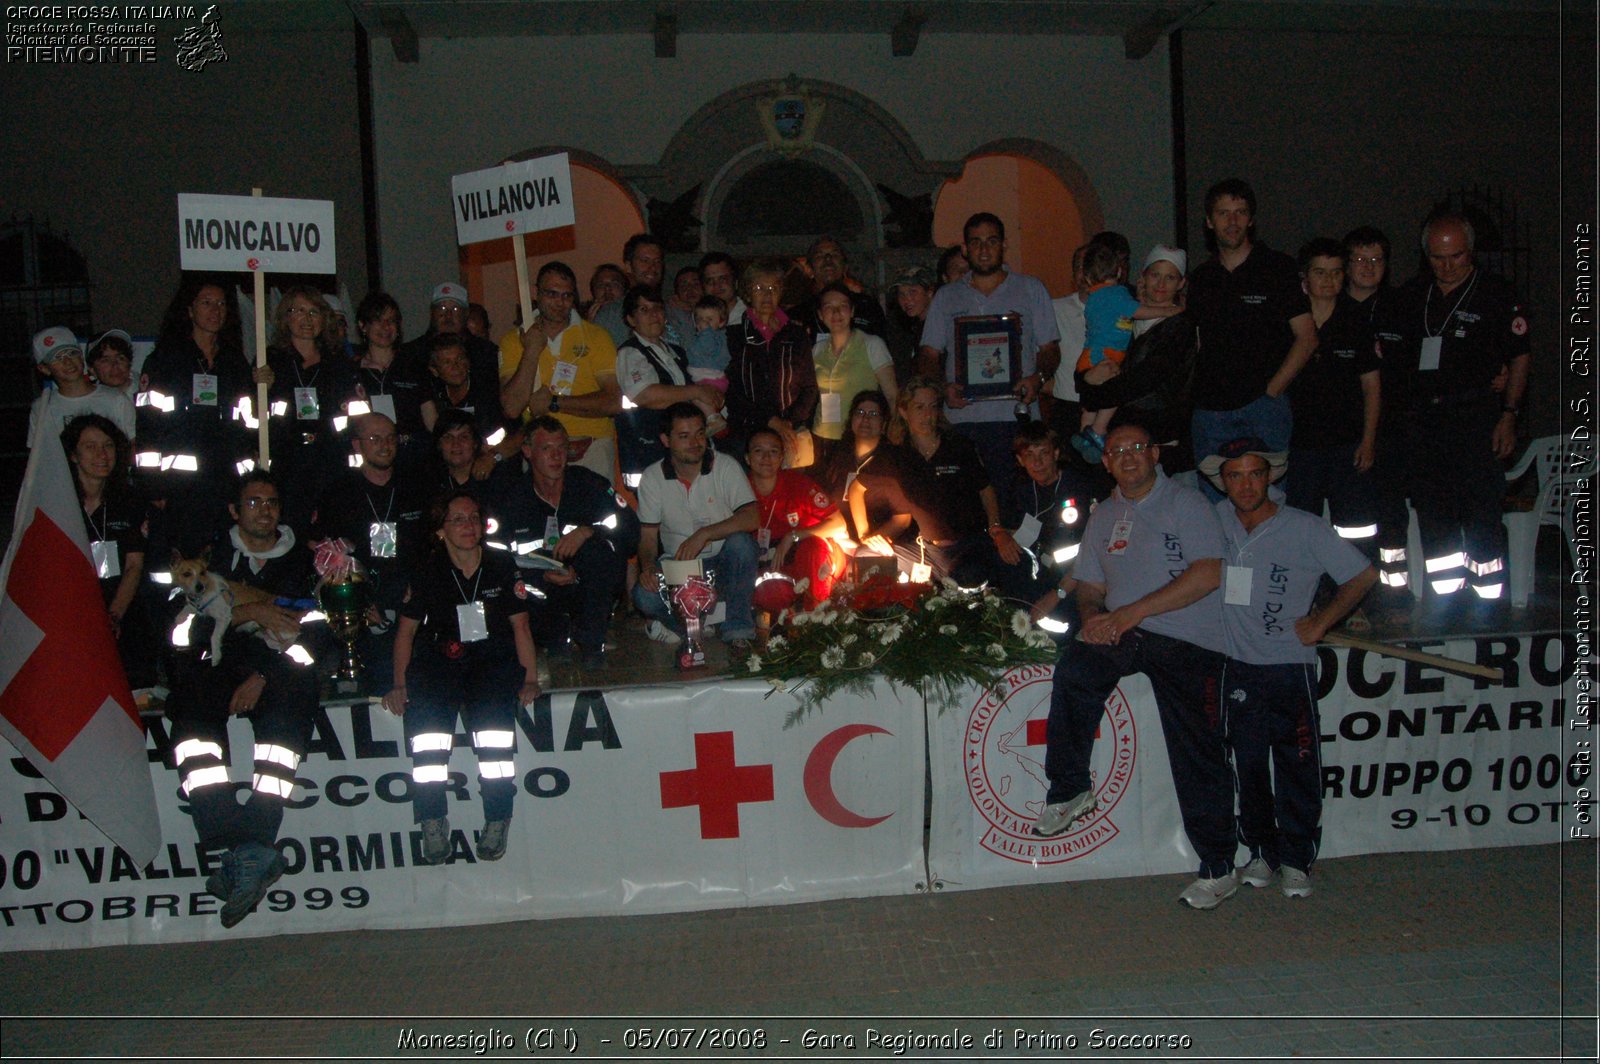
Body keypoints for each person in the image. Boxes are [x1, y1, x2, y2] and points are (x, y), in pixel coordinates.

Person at [1032, 423, 1239, 910]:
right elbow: (1088, 582)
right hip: (1125, 632)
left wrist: (1130, 613)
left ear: (1155, 453)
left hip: (1186, 637)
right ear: (1105, 462)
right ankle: (1070, 789)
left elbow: (1210, 573)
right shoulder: (1105, 516)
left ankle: (1219, 866)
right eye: (1116, 451)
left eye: (1136, 448)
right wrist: (1093, 618)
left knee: (1196, 750)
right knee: (1075, 669)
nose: (1127, 457)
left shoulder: (1188, 504)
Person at [1201, 437, 1376, 898]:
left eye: (1254, 473)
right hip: (1235, 666)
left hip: (1289, 667)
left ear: (1270, 476)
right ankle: (1261, 853)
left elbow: (1363, 575)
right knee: (1250, 766)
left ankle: (1297, 860)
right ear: (1223, 481)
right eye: (1234, 475)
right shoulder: (1213, 521)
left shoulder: (1305, 527)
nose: (1245, 484)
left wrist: (1320, 621)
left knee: (1297, 764)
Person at [166, 472, 322, 928]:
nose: (264, 510)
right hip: (215, 663)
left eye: (271, 502)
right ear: (235, 511)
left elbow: (315, 636)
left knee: (289, 714)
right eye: (253, 502)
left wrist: (261, 675)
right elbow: (179, 635)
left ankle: (242, 856)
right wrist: (246, 612)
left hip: (277, 670)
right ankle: (243, 849)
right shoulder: (204, 561)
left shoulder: (305, 563)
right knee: (191, 721)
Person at [1377, 213, 1528, 605]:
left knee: (1481, 512)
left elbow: (1520, 357)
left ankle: (1489, 602)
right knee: (1434, 512)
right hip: (1424, 423)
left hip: (1477, 418)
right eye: (1438, 257)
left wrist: (1509, 413)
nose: (1447, 266)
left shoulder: (1496, 294)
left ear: (1471, 252)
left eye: (1456, 257)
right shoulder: (1413, 295)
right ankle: (1447, 600)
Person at [382, 490, 540, 865]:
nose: (468, 526)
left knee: (496, 747)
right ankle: (432, 821)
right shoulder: (426, 570)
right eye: (458, 519)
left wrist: (530, 678)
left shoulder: (501, 565)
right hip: (440, 660)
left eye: (473, 518)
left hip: (491, 659)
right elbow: (405, 632)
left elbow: (521, 626)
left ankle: (497, 818)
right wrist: (399, 684)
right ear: (441, 530)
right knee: (428, 746)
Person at [1185, 179, 1317, 499]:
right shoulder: (1201, 279)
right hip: (1210, 412)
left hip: (1263, 410)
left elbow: (1307, 338)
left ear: (1251, 219)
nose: (1232, 222)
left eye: (1240, 212)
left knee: (1268, 504)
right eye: (1223, 213)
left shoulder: (1278, 268)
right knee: (1215, 508)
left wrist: (1271, 392)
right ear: (1209, 220)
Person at [850, 378, 1035, 601]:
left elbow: (986, 491)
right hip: (924, 551)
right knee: (866, 556)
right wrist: (865, 535)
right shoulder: (897, 455)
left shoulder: (958, 446)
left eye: (933, 406)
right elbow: (856, 488)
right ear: (904, 411)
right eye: (919, 407)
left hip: (967, 546)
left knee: (971, 575)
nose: (927, 415)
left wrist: (996, 529)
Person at [918, 212, 1061, 485]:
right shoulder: (947, 296)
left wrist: (1037, 379)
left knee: (1015, 501)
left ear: (1004, 245)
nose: (984, 250)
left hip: (1016, 418)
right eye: (976, 242)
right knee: (965, 504)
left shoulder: (1031, 289)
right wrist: (942, 387)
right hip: (962, 419)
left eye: (992, 241)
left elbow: (1050, 349)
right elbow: (928, 354)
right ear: (965, 248)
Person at [485, 415, 638, 668]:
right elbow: (495, 557)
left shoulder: (590, 485)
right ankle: (553, 639)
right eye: (546, 449)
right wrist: (540, 576)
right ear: (527, 451)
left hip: (585, 583)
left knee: (600, 554)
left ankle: (591, 644)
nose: (556, 457)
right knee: (510, 586)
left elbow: (630, 533)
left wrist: (589, 532)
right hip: (537, 588)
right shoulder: (510, 499)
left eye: (561, 448)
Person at [1286, 239, 1381, 599]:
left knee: (1356, 529)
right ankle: (1304, 602)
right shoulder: (1290, 321)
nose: (1328, 280)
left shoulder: (1356, 320)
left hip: (1347, 445)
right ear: (1305, 277)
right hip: (1300, 446)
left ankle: (1354, 605)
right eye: (1319, 272)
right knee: (1299, 529)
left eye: (1336, 272)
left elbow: (1372, 386)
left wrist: (1369, 440)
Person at [311, 413, 429, 688]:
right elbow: (321, 551)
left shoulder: (417, 486)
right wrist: (358, 603)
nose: (385, 445)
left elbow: (432, 545)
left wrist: (420, 590)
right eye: (375, 439)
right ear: (357, 445)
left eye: (390, 438)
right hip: (363, 608)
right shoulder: (339, 493)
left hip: (413, 603)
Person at [632, 402, 760, 657]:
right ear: (665, 440)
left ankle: (737, 630)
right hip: (680, 565)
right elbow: (647, 538)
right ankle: (692, 626)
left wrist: (705, 534)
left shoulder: (724, 466)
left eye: (700, 433)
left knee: (742, 544)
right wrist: (647, 566)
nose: (695, 442)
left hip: (723, 561)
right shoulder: (652, 477)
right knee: (644, 596)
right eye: (684, 436)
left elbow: (752, 517)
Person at [139, 277, 258, 550]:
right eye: (206, 303)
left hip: (226, 481)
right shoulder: (165, 359)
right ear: (190, 310)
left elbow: (247, 422)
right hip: (181, 487)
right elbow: (148, 423)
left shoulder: (234, 361)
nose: (215, 310)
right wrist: (153, 485)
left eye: (221, 304)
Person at [1342, 225, 1413, 615]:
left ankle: (1394, 591)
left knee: (1390, 515)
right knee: (1352, 522)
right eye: (1359, 260)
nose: (1368, 268)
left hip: (1392, 431)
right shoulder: (1332, 307)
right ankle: (1352, 593)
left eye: (1376, 260)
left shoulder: (1402, 308)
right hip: (1341, 432)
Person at [499, 261, 622, 481]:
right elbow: (511, 407)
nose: (560, 302)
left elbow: (613, 401)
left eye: (567, 296)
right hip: (540, 450)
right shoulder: (512, 340)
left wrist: (555, 403)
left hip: (592, 448)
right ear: (537, 293)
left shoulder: (596, 336)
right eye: (552, 294)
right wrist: (531, 351)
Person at [1069, 242, 1181, 462]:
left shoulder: (1178, 328)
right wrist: (1088, 380)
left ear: (1181, 283)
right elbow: (1086, 377)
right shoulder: (1123, 313)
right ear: (1142, 276)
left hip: (1158, 438)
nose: (1160, 284)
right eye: (1155, 275)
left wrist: (1091, 385)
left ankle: (1093, 431)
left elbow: (1140, 381)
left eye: (1170, 278)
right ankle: (1089, 434)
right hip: (1120, 441)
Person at [63, 414, 153, 687]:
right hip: (71, 613)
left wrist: (112, 617)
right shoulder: (58, 503)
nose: (102, 454)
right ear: (73, 455)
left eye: (108, 446)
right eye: (90, 446)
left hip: (119, 610)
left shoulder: (129, 501)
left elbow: (134, 566)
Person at [264, 285, 356, 535]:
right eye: (299, 311)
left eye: (314, 312)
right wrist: (261, 386)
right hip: (287, 462)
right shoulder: (269, 361)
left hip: (330, 460)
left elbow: (353, 413)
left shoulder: (337, 362)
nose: (307, 319)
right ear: (286, 317)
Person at [614, 286, 725, 487]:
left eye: (657, 308)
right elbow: (645, 394)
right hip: (649, 453)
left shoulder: (677, 352)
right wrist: (698, 391)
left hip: (686, 454)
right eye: (644, 310)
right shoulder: (630, 353)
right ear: (631, 319)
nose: (653, 315)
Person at [1003, 421, 1096, 639]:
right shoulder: (1021, 489)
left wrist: (1058, 593)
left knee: (1061, 625)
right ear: (1020, 460)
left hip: (1077, 575)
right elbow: (1008, 528)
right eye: (1029, 455)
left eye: (1044, 453)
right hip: (1038, 568)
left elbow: (1095, 551)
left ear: (1055, 453)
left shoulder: (1079, 487)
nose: (1037, 462)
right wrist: (999, 535)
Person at [724, 258, 818, 464]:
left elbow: (810, 387)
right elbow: (733, 391)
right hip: (747, 435)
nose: (767, 294)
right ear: (747, 293)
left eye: (773, 287)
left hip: (790, 433)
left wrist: (788, 423)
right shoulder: (734, 336)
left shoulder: (796, 334)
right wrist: (770, 421)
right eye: (759, 287)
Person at [746, 428, 849, 610]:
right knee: (771, 594)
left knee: (812, 549)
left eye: (773, 451)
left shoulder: (797, 483)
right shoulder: (739, 488)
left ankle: (815, 619)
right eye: (758, 451)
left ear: (781, 458)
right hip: (774, 562)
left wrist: (795, 535)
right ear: (747, 458)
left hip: (813, 552)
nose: (766, 457)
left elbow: (839, 523)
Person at [811, 282, 898, 469]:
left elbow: (892, 395)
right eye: (829, 308)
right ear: (820, 315)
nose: (836, 313)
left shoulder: (871, 344)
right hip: (822, 435)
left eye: (842, 306)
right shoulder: (817, 350)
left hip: (859, 436)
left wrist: (894, 431)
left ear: (852, 311)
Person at [352, 291, 430, 470]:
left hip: (413, 456)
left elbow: (430, 418)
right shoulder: (352, 372)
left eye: (391, 321)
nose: (385, 327)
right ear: (363, 326)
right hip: (372, 459)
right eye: (378, 320)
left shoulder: (413, 367)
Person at [28, 326, 135, 450]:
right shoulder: (42, 407)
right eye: (57, 358)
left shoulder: (116, 399)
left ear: (81, 358)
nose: (68, 362)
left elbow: (134, 443)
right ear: (44, 368)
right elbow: (38, 456)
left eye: (72, 353)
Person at [788, 236, 888, 339]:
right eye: (820, 255)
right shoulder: (798, 314)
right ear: (809, 269)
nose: (828, 259)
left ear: (845, 267)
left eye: (834, 254)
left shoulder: (867, 307)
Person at [592, 234, 671, 346]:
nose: (652, 267)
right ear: (629, 266)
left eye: (657, 261)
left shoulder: (673, 310)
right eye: (645, 260)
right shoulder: (610, 315)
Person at [1048, 245, 1090, 436]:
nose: (1087, 273)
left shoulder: (1123, 309)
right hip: (1068, 407)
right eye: (1081, 267)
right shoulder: (1055, 309)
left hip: (1109, 406)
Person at [884, 265, 937, 386]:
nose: (907, 299)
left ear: (930, 292)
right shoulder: (905, 329)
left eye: (912, 292)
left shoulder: (939, 327)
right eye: (901, 294)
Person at [86, 328, 138, 400]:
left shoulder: (147, 388)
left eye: (120, 358)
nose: (115, 365)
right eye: (105, 360)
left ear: (129, 363)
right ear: (92, 370)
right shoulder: (88, 400)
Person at [699, 251, 746, 325]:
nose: (716, 286)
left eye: (723, 279)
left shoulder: (751, 317)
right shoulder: (697, 318)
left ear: (735, 282)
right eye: (710, 281)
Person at [666, 265, 703, 342]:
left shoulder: (717, 310)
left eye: (696, 284)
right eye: (683, 286)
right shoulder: (669, 314)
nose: (690, 289)